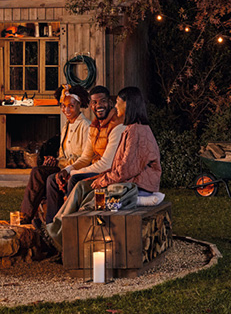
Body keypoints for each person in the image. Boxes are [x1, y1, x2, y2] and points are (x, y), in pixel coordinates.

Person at [44, 86, 161, 252]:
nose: (116, 107)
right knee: (81, 186)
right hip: (126, 178)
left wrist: (102, 179)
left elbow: (125, 170)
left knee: (87, 192)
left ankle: (64, 237)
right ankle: (55, 229)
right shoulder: (130, 128)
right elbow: (120, 166)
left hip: (139, 184)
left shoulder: (135, 131)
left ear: (127, 105)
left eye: (118, 103)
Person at [42, 85, 126, 223]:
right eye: (94, 102)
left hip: (109, 172)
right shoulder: (94, 126)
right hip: (95, 169)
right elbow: (86, 157)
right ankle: (51, 225)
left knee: (74, 180)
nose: (98, 105)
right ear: (90, 105)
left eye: (102, 101)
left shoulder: (116, 126)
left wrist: (73, 173)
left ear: (110, 103)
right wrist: (67, 170)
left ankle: (69, 225)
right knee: (53, 179)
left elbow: (106, 164)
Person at [18, 85, 91, 224]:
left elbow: (85, 157)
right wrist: (54, 160)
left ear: (79, 105)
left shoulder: (85, 126)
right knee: (37, 172)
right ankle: (25, 217)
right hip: (62, 165)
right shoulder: (66, 126)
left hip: (76, 168)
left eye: (71, 106)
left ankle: (50, 223)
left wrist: (65, 166)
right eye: (63, 106)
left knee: (51, 178)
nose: (66, 110)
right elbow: (63, 153)